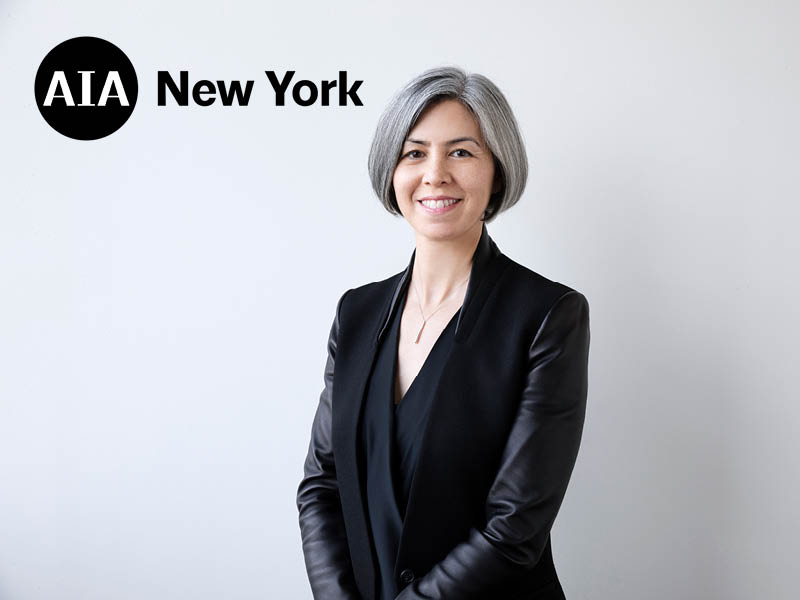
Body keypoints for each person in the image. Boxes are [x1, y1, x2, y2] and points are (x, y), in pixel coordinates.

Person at [297, 66, 591, 600]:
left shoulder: (548, 315)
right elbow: (322, 486)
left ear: (497, 172)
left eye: (461, 152)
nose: (435, 174)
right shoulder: (357, 313)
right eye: (414, 153)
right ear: (392, 171)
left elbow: (513, 530)